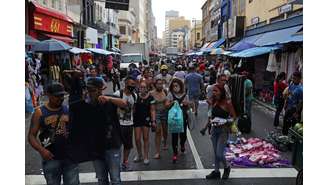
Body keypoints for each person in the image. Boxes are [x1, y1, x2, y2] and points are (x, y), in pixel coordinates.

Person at [28, 82, 79, 185]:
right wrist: (42, 150)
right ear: (49, 95)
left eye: (62, 96)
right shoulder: (39, 112)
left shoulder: (68, 110)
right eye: (57, 96)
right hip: (51, 158)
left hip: (70, 157)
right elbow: (31, 136)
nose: (61, 98)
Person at [206, 84, 236, 180]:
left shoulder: (227, 103)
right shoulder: (214, 102)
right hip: (214, 129)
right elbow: (211, 115)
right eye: (213, 91)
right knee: (215, 153)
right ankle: (216, 171)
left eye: (216, 91)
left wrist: (227, 121)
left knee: (219, 153)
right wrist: (207, 126)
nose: (214, 93)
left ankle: (227, 167)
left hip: (223, 130)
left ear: (221, 92)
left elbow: (234, 117)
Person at [165, 78, 193, 163]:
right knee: (174, 136)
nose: (175, 88)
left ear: (180, 86)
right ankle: (175, 152)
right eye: (173, 86)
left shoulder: (185, 95)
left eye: (176, 86)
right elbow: (166, 105)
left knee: (183, 135)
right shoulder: (170, 94)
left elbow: (190, 106)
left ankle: (182, 144)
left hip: (183, 119)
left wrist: (187, 104)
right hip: (173, 119)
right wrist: (172, 103)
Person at [113, 76, 137, 170]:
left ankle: (125, 162)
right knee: (117, 145)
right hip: (119, 124)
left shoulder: (134, 96)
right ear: (126, 84)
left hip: (129, 124)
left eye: (134, 85)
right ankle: (115, 163)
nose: (133, 86)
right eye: (131, 84)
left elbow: (134, 109)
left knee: (128, 145)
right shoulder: (118, 93)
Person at [133, 81, 156, 165]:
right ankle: (139, 154)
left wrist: (153, 121)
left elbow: (152, 110)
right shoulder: (135, 96)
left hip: (146, 119)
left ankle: (146, 156)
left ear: (147, 88)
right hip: (137, 119)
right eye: (141, 87)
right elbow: (133, 108)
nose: (142, 89)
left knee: (145, 138)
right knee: (137, 139)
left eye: (144, 87)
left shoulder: (151, 98)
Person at [151, 78, 169, 159]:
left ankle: (165, 142)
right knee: (158, 132)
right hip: (156, 113)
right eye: (158, 84)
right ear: (155, 85)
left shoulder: (165, 91)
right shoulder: (151, 93)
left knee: (165, 130)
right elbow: (150, 106)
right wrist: (153, 119)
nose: (160, 85)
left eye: (161, 84)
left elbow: (168, 102)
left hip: (165, 113)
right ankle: (157, 152)